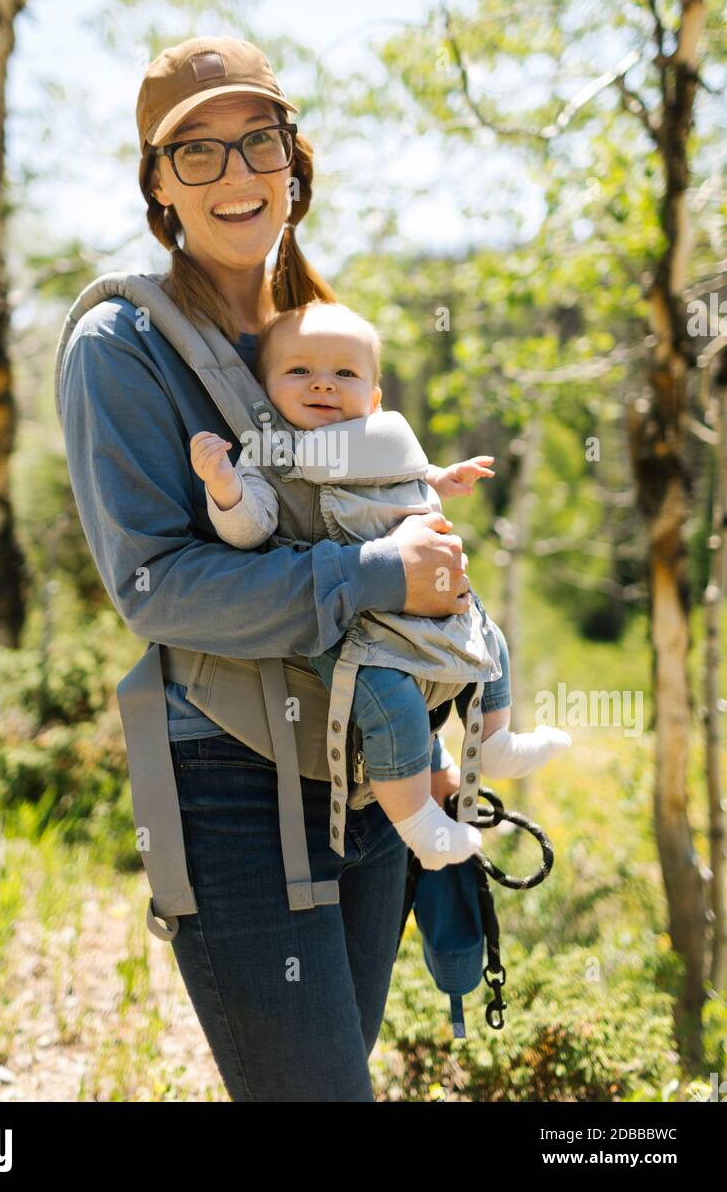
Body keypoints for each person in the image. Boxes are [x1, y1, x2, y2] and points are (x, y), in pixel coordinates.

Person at [60, 35, 483, 1102]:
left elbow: (387, 514)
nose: (235, 173)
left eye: (256, 140)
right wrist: (376, 577)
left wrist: (427, 714)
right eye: (193, 152)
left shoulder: (318, 327)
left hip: (360, 767)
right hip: (228, 782)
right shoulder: (120, 346)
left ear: (293, 161)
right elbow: (154, 586)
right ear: (156, 185)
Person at [190, 298, 571, 872]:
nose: (323, 384)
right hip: (350, 622)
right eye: (299, 371)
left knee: (487, 635)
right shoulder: (270, 461)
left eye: (344, 373)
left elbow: (411, 477)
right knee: (390, 704)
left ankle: (494, 739)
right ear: (263, 393)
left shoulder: (379, 439)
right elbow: (249, 531)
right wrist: (224, 487)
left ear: (373, 400)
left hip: (428, 594)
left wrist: (444, 477)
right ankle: (419, 823)